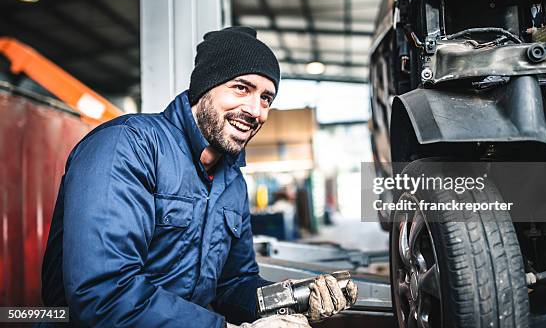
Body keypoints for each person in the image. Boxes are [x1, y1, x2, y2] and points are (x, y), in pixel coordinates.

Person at [40, 27, 357, 327]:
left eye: (266, 98)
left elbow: (234, 284)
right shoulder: (127, 146)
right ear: (204, 87)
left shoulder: (232, 182)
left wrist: (296, 297)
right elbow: (103, 293)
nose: (256, 110)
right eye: (241, 88)